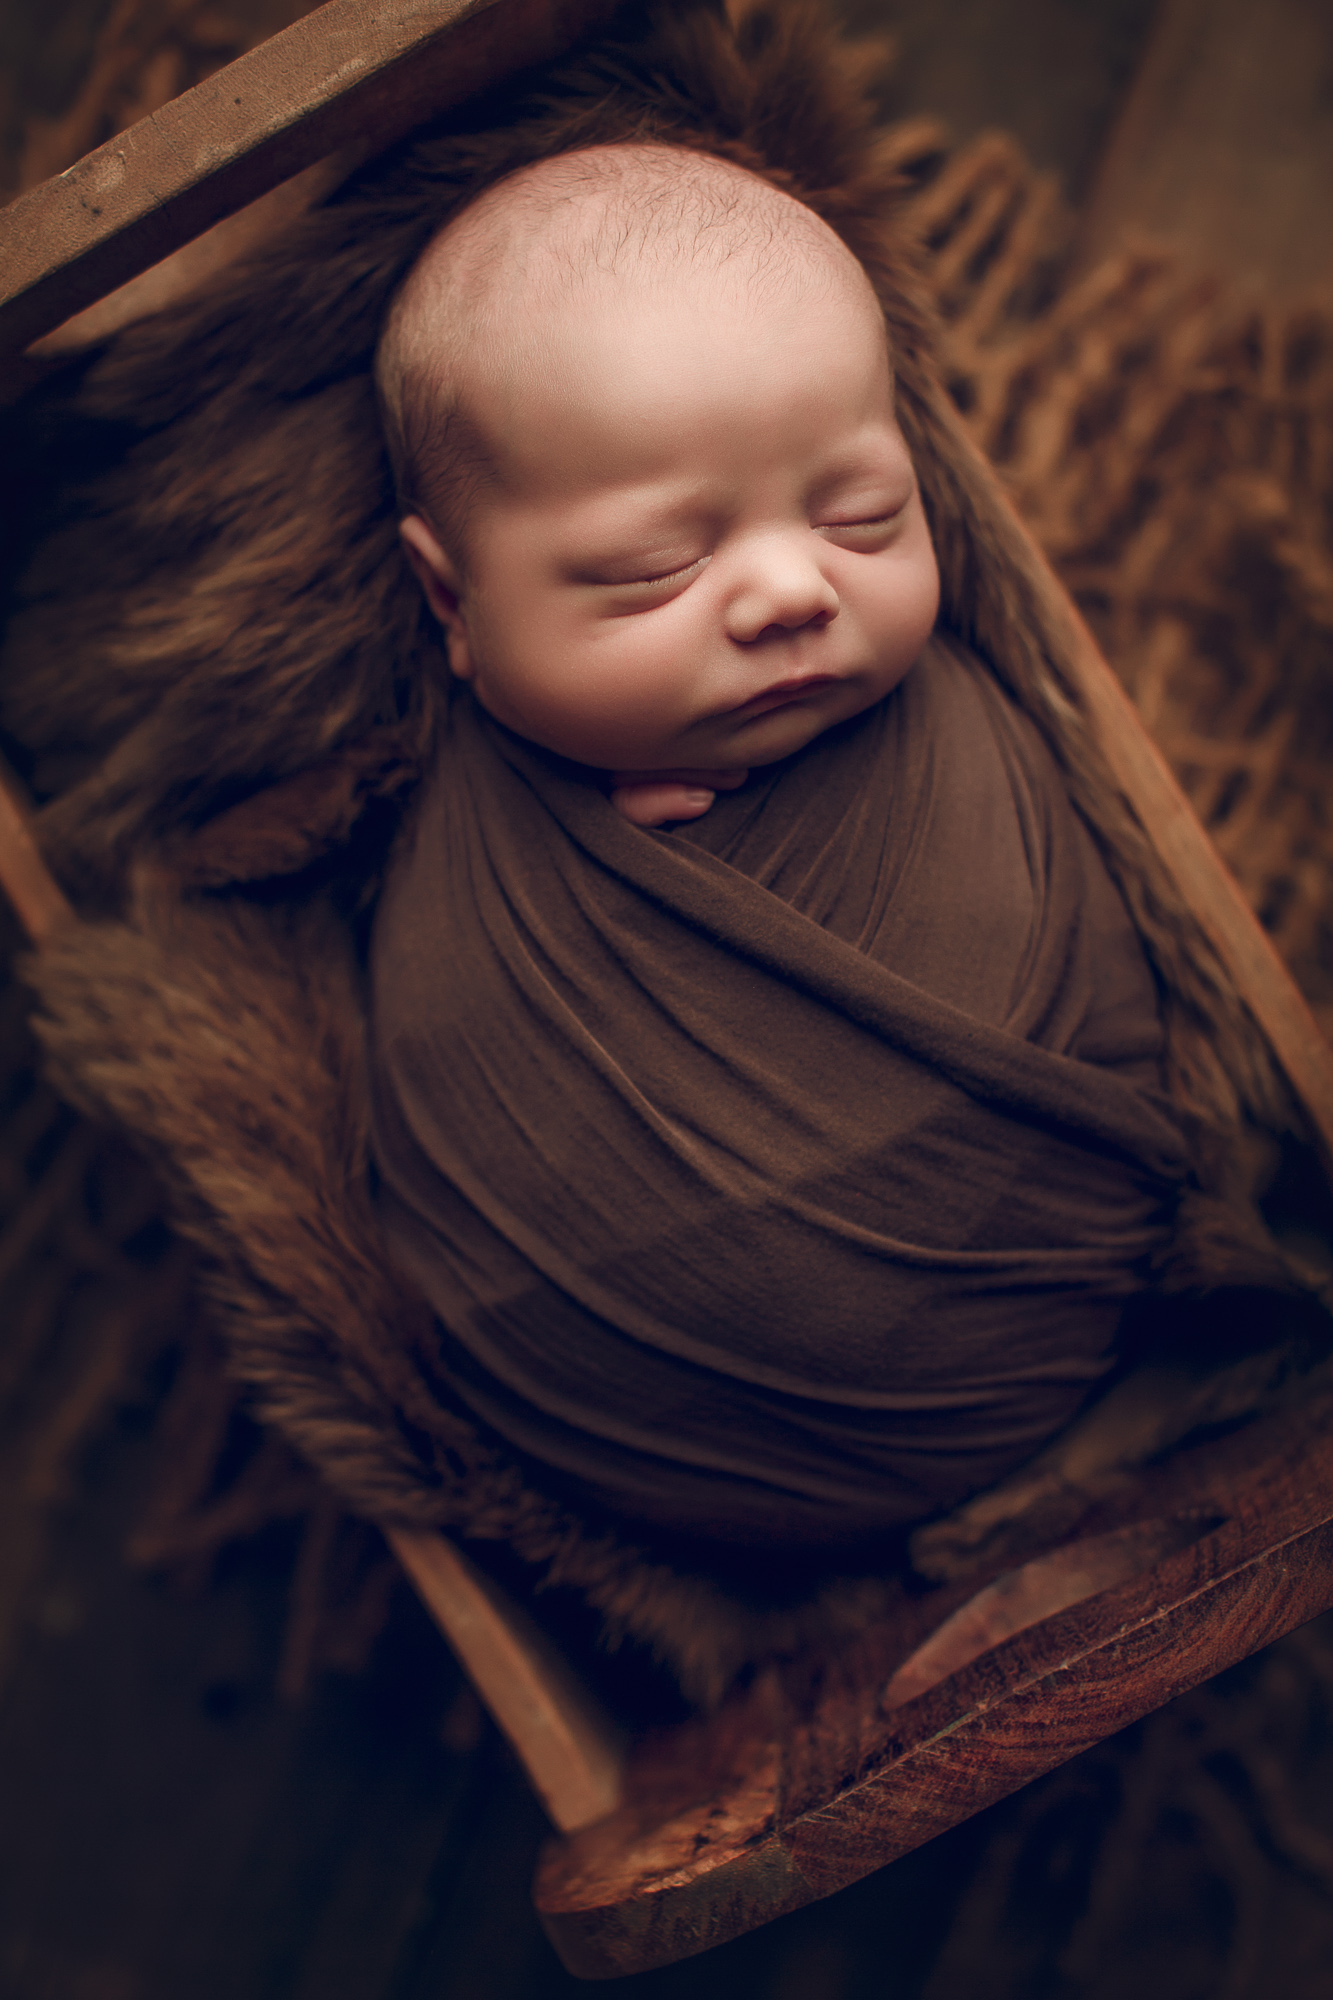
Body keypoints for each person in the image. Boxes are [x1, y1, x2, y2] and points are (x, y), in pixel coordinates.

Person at [366, 141, 1190, 1568]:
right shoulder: (469, 830)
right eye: (650, 574)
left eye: (860, 514)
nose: (793, 590)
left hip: (1046, 1297)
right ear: (451, 597)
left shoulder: (944, 720)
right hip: (619, 1419)